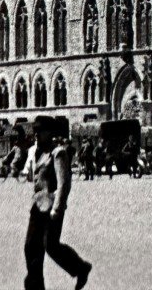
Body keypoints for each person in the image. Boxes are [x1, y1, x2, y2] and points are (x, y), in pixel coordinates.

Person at [23, 115, 92, 290]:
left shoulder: (58, 153)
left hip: (51, 207)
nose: (36, 134)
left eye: (40, 131)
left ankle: (81, 268)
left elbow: (64, 183)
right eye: (35, 131)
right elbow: (34, 178)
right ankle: (35, 286)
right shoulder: (38, 152)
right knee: (31, 247)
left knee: (51, 247)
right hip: (37, 206)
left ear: (49, 133)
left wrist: (57, 208)